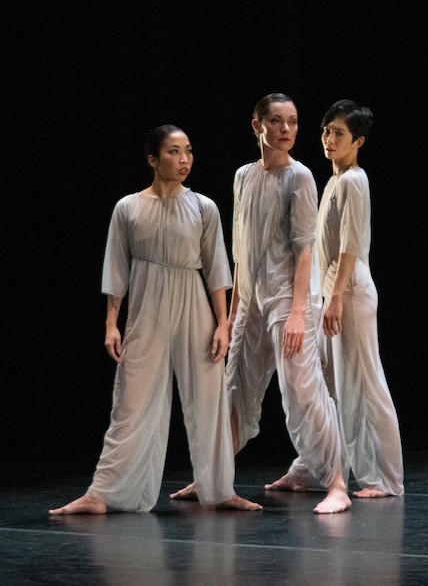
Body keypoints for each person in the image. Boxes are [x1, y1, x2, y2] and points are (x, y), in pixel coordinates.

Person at [50, 126, 261, 515]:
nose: (184, 160)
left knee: (209, 400)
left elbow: (216, 269)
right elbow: (117, 269)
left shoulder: (204, 207)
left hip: (193, 304)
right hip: (147, 306)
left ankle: (220, 489)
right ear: (152, 159)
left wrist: (222, 323)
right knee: (130, 400)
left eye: (189, 151)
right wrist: (112, 322)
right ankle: (102, 493)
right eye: (174, 152)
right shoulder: (128, 207)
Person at [174, 94, 351, 514]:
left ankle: (337, 483)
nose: (286, 129)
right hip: (251, 297)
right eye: (277, 121)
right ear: (258, 127)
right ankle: (212, 478)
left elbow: (305, 250)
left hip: (290, 298)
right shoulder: (243, 176)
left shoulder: (301, 177)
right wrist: (234, 310)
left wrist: (294, 313)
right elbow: (242, 249)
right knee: (234, 387)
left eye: (292, 121)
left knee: (301, 390)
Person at [290, 99, 404, 498]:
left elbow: (350, 247)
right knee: (326, 385)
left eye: (338, 133)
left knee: (365, 383)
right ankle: (311, 466)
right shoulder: (336, 180)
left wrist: (335, 298)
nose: (328, 139)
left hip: (350, 294)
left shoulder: (355, 180)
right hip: (333, 294)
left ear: (358, 141)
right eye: (325, 131)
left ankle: (386, 479)